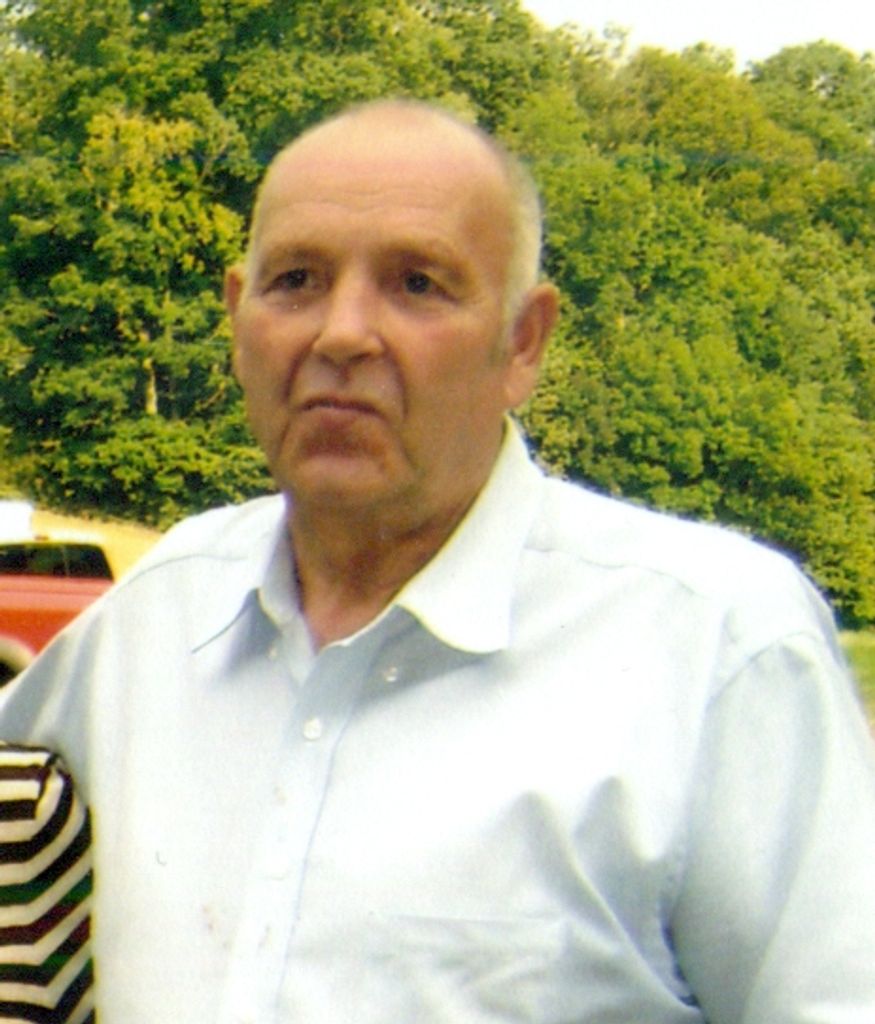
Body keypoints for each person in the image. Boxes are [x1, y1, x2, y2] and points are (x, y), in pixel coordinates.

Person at [1, 98, 874, 1023]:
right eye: (295, 280)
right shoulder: (155, 619)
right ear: (236, 318)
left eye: (416, 284)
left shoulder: (715, 646)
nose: (341, 334)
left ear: (523, 341)